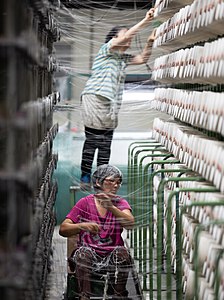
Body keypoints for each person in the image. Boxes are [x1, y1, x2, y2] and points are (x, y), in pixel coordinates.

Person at [80, 8, 156, 190]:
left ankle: (101, 179)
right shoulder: (106, 50)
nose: (128, 38)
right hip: (96, 98)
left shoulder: (122, 58)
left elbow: (143, 58)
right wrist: (145, 21)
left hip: (111, 105)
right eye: (124, 35)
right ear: (113, 39)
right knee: (93, 140)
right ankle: (84, 175)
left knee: (106, 144)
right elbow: (123, 39)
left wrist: (150, 41)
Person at [59, 164, 135, 300]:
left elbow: (130, 223)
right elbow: (63, 229)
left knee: (123, 254)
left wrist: (111, 207)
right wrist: (82, 226)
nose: (116, 185)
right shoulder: (85, 203)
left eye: (118, 182)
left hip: (112, 255)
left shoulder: (120, 203)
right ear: (98, 182)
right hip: (89, 255)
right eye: (111, 181)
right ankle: (84, 295)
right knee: (83, 254)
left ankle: (119, 295)